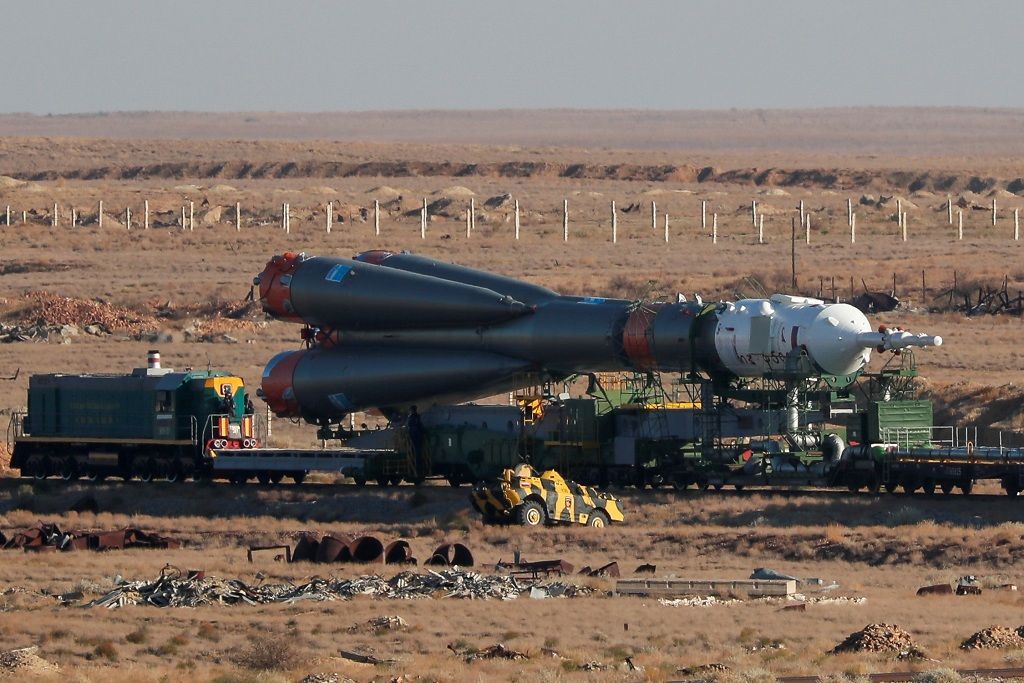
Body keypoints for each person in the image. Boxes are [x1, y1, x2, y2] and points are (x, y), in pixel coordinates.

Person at [406, 405, 426, 477]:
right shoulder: (417, 417)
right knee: (417, 451)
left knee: (415, 451)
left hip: (414, 436)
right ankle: (418, 465)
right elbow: (420, 426)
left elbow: (409, 426)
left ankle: (417, 466)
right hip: (417, 436)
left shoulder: (411, 418)